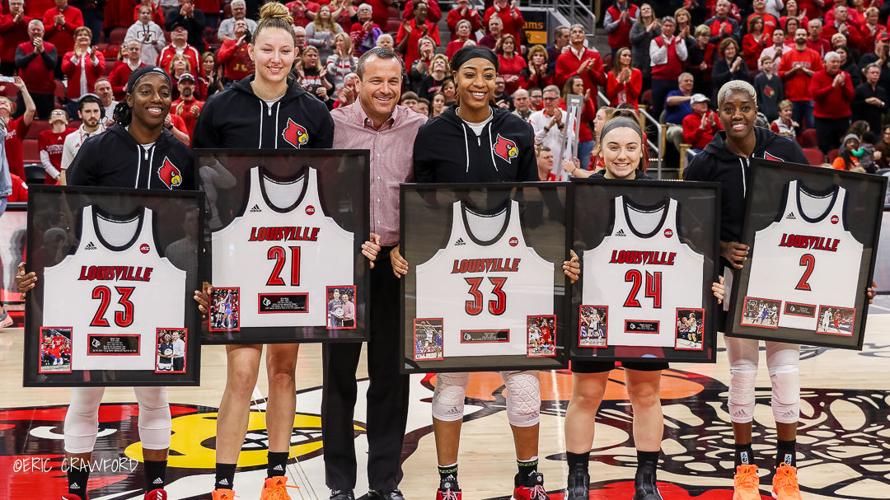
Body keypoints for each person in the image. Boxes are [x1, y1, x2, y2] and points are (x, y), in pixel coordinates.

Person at [16, 65, 196, 500]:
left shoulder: (182, 155)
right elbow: (66, 215)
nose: (157, 97)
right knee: (85, 396)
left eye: (164, 91)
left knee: (154, 397)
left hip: (157, 287)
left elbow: (193, 223)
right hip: (95, 276)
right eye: (146, 90)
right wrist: (42, 272)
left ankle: (156, 488)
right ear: (129, 97)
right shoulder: (98, 149)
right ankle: (76, 490)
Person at [192, 4, 334, 498]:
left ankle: (276, 477)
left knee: (283, 369)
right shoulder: (220, 107)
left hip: (293, 257)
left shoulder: (314, 112)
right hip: (235, 258)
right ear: (250, 51)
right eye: (267, 49)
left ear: (298, 54)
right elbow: (199, 188)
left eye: (285, 50)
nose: (276, 59)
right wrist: (205, 263)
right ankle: (224, 484)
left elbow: (326, 192)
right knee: (242, 371)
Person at [405, 46, 543, 499]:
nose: (479, 82)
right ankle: (448, 483)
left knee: (523, 383)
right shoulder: (432, 133)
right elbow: (420, 205)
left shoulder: (517, 130)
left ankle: (528, 479)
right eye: (469, 74)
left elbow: (533, 201)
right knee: (450, 382)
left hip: (511, 265)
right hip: (452, 268)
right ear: (454, 81)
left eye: (488, 74)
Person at [683, 80, 815, 500]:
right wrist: (721, 246)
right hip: (734, 277)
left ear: (757, 108)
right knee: (742, 371)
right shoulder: (704, 163)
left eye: (744, 107)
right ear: (717, 115)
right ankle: (744, 465)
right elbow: (688, 225)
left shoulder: (786, 150)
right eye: (728, 109)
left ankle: (787, 466)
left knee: (786, 371)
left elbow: (813, 207)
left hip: (782, 273)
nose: (736, 115)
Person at [562, 116, 696, 500]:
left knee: (645, 393)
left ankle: (646, 479)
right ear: (599, 151)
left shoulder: (666, 195)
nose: (622, 155)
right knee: (586, 394)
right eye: (614, 147)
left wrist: (707, 284)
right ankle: (578, 479)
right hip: (595, 310)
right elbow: (559, 245)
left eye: (631, 147)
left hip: (646, 317)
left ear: (643, 152)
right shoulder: (581, 193)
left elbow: (687, 255)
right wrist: (567, 264)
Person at [325, 47, 426, 500]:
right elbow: (318, 192)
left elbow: (427, 195)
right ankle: (340, 484)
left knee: (391, 377)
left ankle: (385, 483)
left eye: (392, 81)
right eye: (375, 81)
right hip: (344, 265)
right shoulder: (332, 126)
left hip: (395, 264)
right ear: (357, 83)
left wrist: (409, 240)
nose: (385, 90)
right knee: (339, 377)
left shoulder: (418, 128)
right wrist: (346, 237)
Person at [810, 51, 854, 154]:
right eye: (833, 61)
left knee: (842, 147)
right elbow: (815, 95)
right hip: (823, 119)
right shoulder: (817, 76)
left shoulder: (845, 76)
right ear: (825, 63)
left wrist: (843, 86)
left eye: (838, 62)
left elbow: (851, 97)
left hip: (842, 119)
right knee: (824, 147)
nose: (836, 64)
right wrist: (832, 87)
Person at [779, 28, 822, 129]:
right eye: (798, 35)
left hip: (810, 97)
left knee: (812, 127)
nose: (801, 37)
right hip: (792, 97)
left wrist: (806, 71)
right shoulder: (787, 55)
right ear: (794, 38)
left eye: (803, 35)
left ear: (807, 37)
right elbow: (780, 74)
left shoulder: (814, 54)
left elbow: (820, 75)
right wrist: (793, 70)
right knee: (794, 128)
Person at [15, 19, 56, 119]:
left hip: (46, 92)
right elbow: (19, 63)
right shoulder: (21, 46)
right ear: (28, 32)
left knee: (46, 121)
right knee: (22, 120)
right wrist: (34, 54)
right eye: (33, 30)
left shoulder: (51, 47)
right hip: (26, 92)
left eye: (39, 30)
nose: (36, 32)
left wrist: (42, 51)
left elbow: (52, 65)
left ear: (43, 32)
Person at [649, 16, 688, 118]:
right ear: (662, 27)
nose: (668, 28)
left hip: (674, 79)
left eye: (671, 26)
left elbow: (684, 57)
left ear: (674, 28)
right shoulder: (655, 41)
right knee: (657, 107)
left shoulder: (679, 40)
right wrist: (664, 47)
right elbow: (655, 59)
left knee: (674, 107)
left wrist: (678, 44)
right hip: (659, 80)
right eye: (666, 25)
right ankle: (656, 133)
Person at [60, 93, 105, 180]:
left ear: (101, 112)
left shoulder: (111, 137)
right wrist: (66, 193)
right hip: (79, 190)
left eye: (96, 111)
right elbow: (64, 171)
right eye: (88, 111)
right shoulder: (70, 138)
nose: (92, 115)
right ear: (80, 114)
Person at [0, 77, 36, 180]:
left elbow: (31, 110)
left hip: (16, 178)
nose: (2, 103)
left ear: (11, 108)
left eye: (5, 102)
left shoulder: (17, 125)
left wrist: (23, 88)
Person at [555, 24, 605, 95]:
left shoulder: (595, 56)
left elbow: (602, 81)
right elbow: (559, 82)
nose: (577, 34)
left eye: (580, 32)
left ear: (584, 36)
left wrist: (591, 70)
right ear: (569, 37)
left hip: (591, 100)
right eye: (574, 32)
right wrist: (577, 72)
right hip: (570, 100)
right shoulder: (562, 58)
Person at [61, 26, 105, 107]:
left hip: (93, 96)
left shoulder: (98, 54)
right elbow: (66, 71)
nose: (83, 36)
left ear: (90, 39)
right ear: (75, 38)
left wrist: (93, 58)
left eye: (86, 35)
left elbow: (100, 71)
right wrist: (76, 57)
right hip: (74, 98)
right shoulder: (68, 55)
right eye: (80, 35)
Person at [529, 85, 566, 173]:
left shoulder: (568, 116)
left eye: (551, 99)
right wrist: (547, 127)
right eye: (545, 99)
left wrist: (560, 125)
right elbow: (532, 140)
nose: (548, 101)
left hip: (562, 165)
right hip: (541, 166)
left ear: (558, 99)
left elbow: (572, 141)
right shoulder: (534, 117)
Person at [396, 2, 439, 70]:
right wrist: (408, 35)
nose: (424, 12)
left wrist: (426, 35)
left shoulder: (432, 26)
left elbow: (435, 47)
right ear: (415, 12)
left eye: (425, 10)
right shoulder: (406, 25)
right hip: (408, 66)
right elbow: (399, 49)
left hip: (427, 67)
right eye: (421, 10)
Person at [38, 108, 72, 184]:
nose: (58, 113)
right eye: (55, 113)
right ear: (50, 120)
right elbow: (45, 161)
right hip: (53, 179)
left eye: (61, 113)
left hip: (70, 177)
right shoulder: (43, 135)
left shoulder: (73, 133)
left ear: (66, 121)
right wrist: (58, 177)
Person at [852, 63, 888, 135]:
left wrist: (880, 103)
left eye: (877, 73)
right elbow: (853, 105)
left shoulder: (881, 90)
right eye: (872, 73)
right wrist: (866, 102)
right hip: (862, 124)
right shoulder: (859, 89)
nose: (875, 75)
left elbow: (886, 108)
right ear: (866, 74)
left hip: (876, 124)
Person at [629, 4, 659, 89]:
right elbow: (632, 39)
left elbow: (661, 40)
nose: (646, 10)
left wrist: (654, 29)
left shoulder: (657, 24)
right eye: (643, 9)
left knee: (649, 88)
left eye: (648, 8)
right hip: (639, 61)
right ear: (640, 13)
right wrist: (646, 32)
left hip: (652, 61)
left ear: (652, 11)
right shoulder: (636, 25)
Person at [0, 0, 33, 77]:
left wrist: (21, 20)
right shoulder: (3, 18)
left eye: (18, 4)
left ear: (23, 5)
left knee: (24, 79)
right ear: (9, 6)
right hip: (7, 56)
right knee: (6, 81)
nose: (16, 6)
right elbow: (2, 29)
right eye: (13, 4)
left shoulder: (29, 19)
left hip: (24, 55)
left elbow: (31, 32)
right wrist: (14, 21)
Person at [216, 20, 254, 84]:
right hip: (231, 82)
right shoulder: (228, 43)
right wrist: (236, 46)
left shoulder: (252, 45)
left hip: (249, 82)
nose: (241, 25)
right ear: (233, 30)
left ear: (247, 30)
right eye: (238, 24)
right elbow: (220, 58)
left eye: (243, 24)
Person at [170, 73, 203, 139]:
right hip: (177, 145)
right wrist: (176, 116)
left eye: (190, 83)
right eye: (184, 83)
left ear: (194, 87)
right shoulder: (171, 106)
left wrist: (198, 117)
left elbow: (207, 129)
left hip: (196, 146)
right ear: (178, 87)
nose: (187, 86)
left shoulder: (202, 105)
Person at [754, 54, 784, 122]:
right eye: (766, 63)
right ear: (762, 65)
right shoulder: (758, 78)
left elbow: (780, 96)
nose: (768, 65)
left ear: (773, 64)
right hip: (763, 111)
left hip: (775, 110)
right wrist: (760, 108)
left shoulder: (777, 79)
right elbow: (756, 95)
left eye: (770, 63)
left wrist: (778, 108)